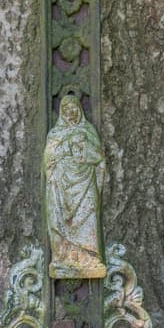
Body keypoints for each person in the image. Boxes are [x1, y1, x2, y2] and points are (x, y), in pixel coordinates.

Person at [42, 90, 106, 279]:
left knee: (88, 216)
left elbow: (98, 158)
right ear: (62, 112)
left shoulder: (88, 131)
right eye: (66, 109)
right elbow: (49, 159)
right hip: (61, 185)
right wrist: (65, 149)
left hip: (85, 184)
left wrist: (83, 148)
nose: (71, 112)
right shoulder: (55, 134)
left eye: (74, 108)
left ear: (80, 110)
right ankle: (63, 258)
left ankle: (89, 259)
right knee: (59, 219)